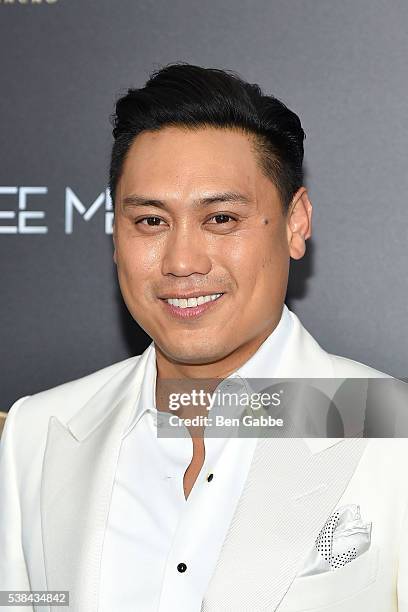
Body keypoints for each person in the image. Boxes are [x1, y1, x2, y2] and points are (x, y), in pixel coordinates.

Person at [1, 62, 407, 612]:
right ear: (115, 234)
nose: (182, 262)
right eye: (150, 222)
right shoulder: (40, 431)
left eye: (220, 219)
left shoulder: (392, 428)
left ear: (295, 223)